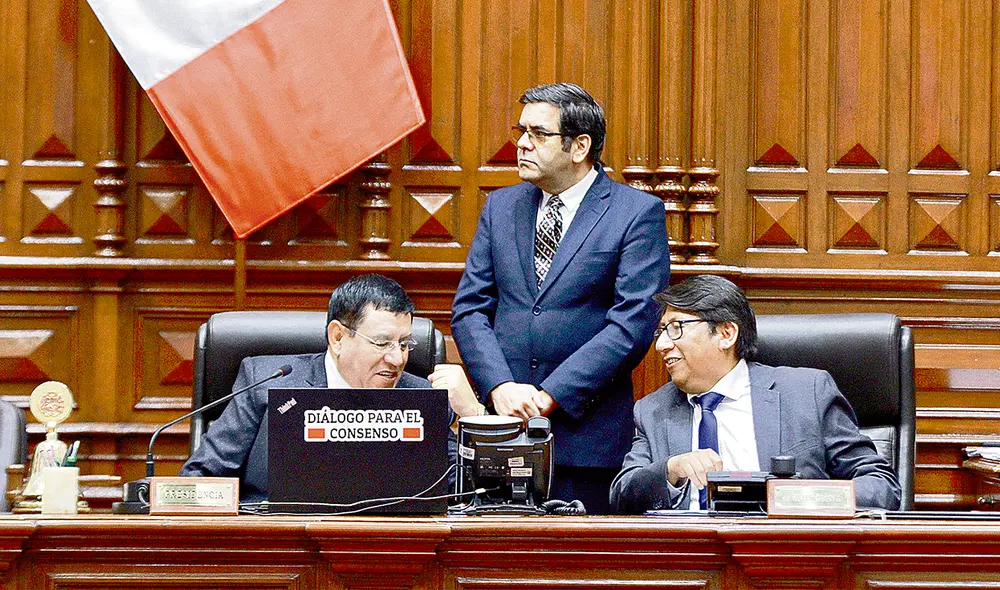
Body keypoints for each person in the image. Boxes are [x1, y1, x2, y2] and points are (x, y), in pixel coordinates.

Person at [451, 83, 669, 514]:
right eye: (521, 131)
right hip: (500, 431)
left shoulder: (635, 213)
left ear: (580, 146)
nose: (522, 144)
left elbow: (632, 324)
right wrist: (500, 386)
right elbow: (470, 308)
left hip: (585, 437)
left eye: (538, 134)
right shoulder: (500, 206)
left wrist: (551, 394)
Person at [610, 275, 901, 514]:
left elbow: (880, 485)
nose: (661, 345)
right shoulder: (653, 410)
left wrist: (799, 499)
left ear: (726, 334)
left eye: (675, 329)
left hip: (789, 554)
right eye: (660, 332)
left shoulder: (806, 393)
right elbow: (622, 495)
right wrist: (670, 469)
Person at [181, 273, 482, 502]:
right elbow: (201, 478)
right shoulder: (267, 381)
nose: (397, 358)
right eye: (382, 343)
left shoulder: (423, 398)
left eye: (404, 344)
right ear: (338, 337)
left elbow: (472, 492)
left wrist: (474, 415)